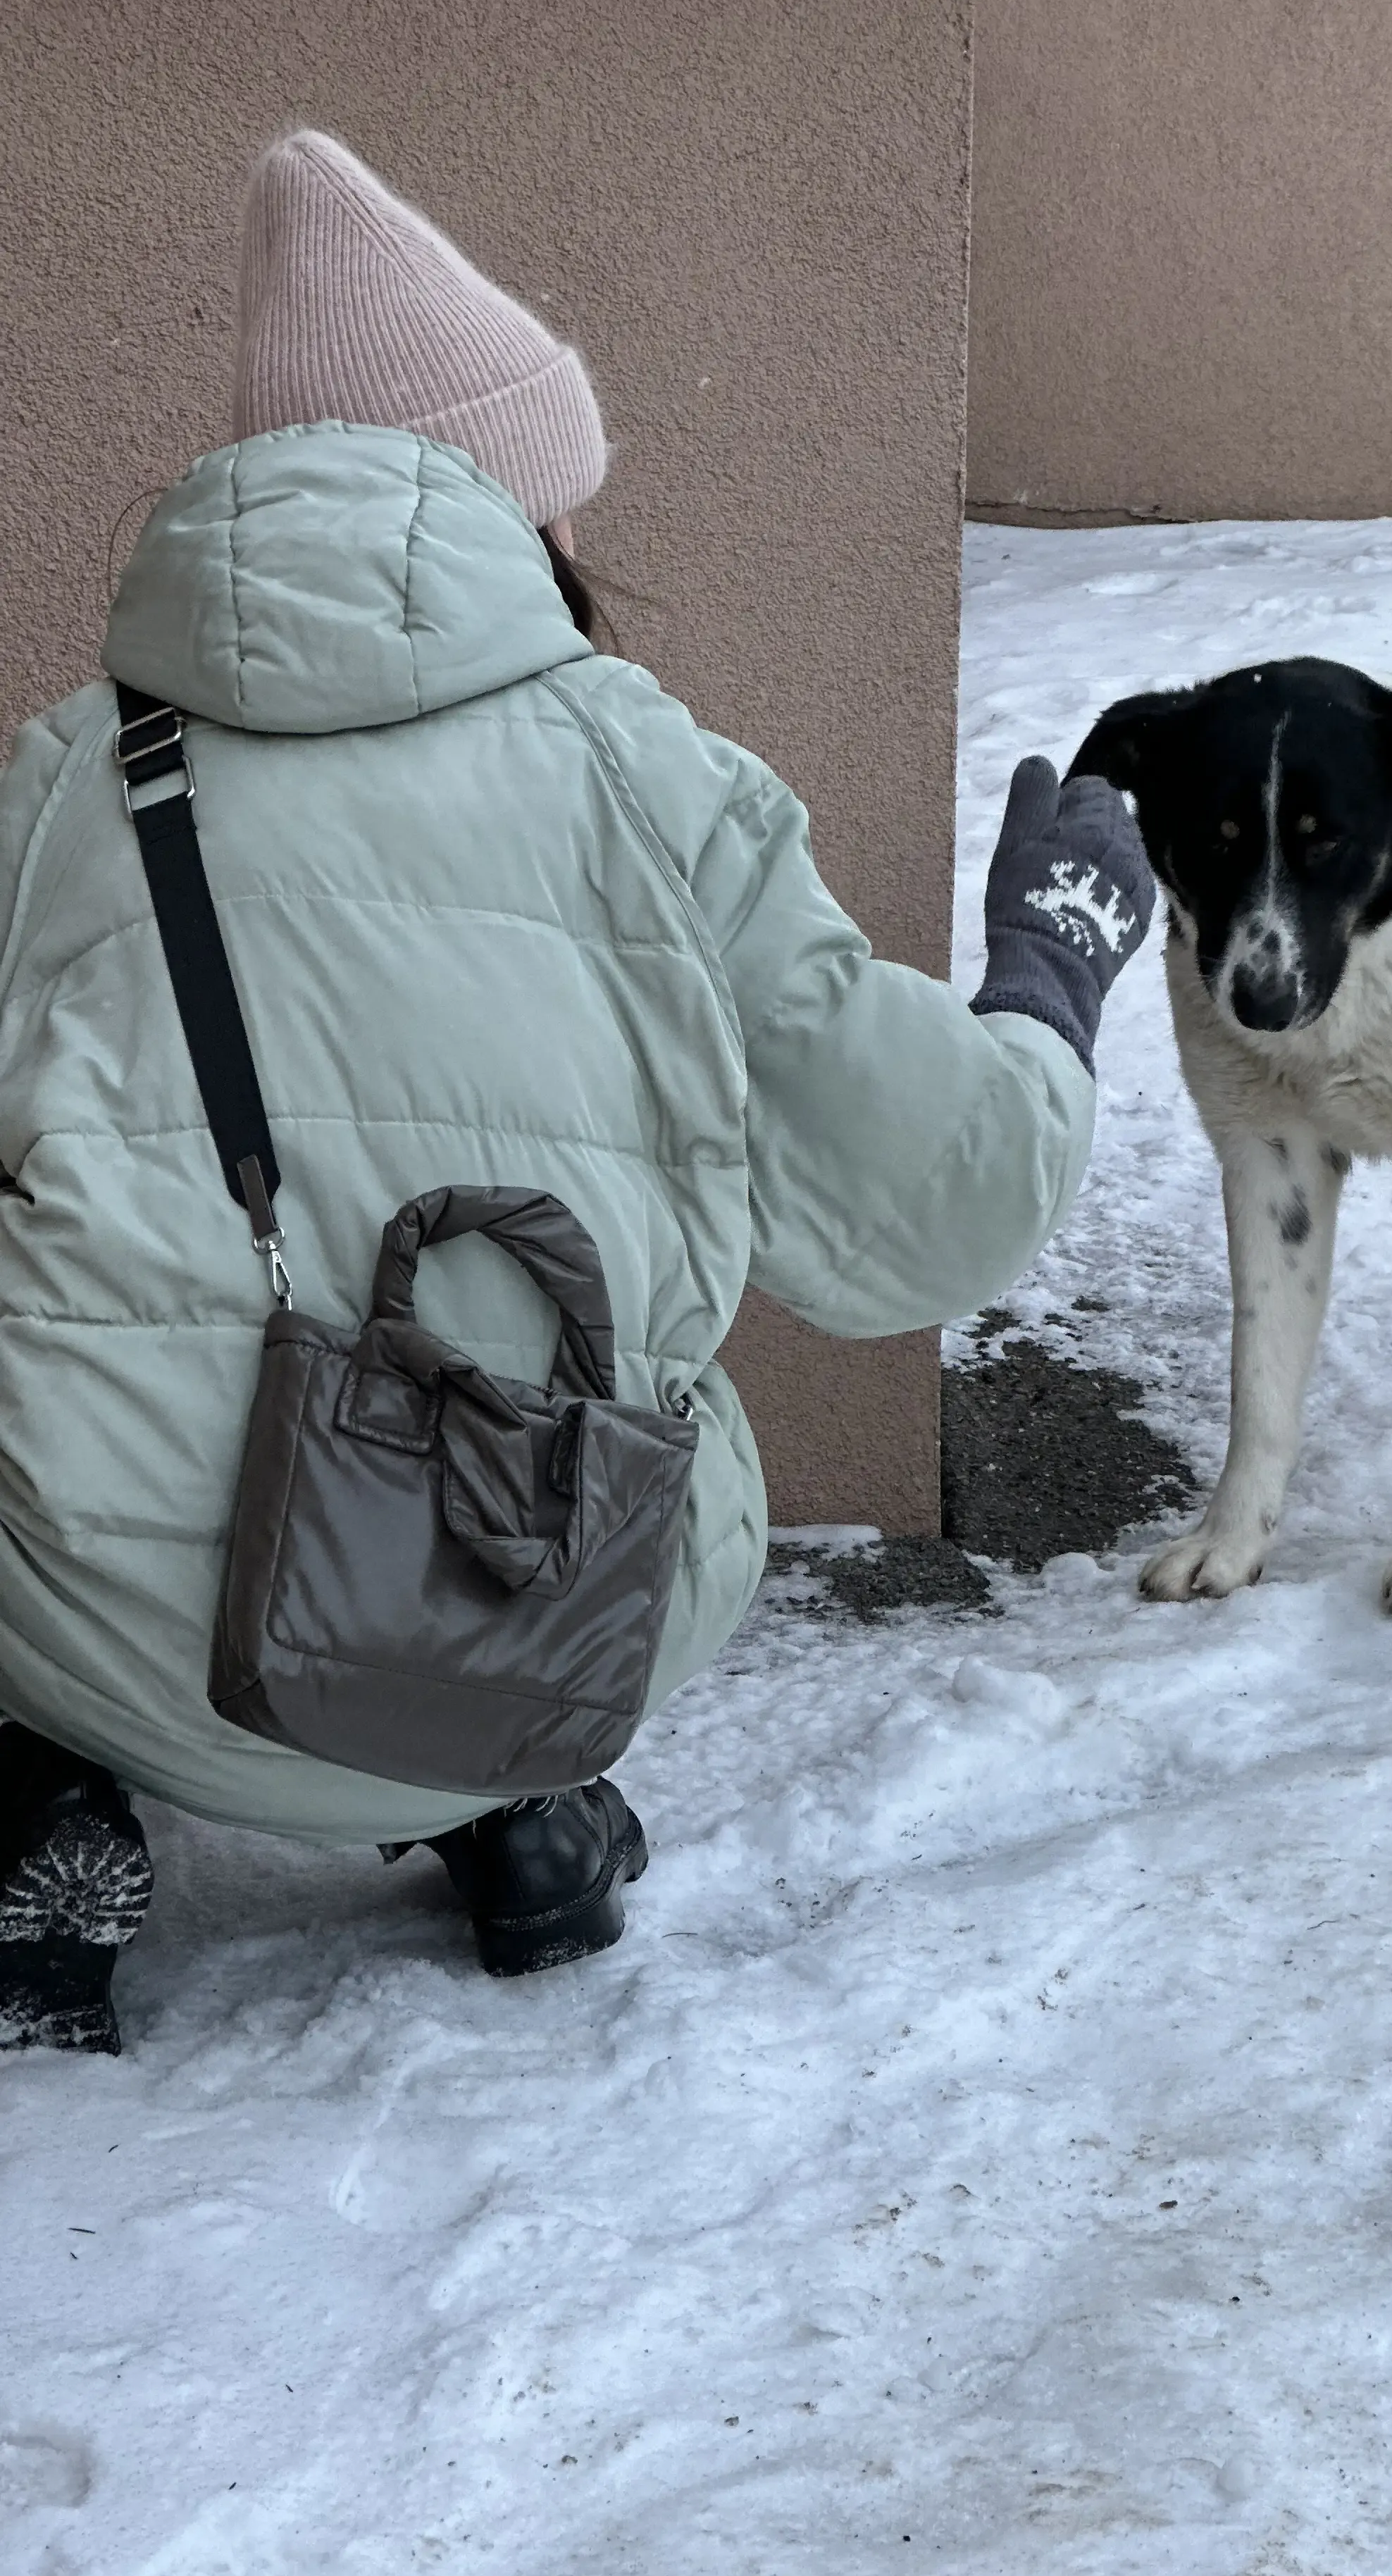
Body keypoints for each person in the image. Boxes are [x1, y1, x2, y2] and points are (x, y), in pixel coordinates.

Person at [0, 131, 1151, 2054]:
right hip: (568, 1613)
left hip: (113, 1640)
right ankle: (507, 1797)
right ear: (504, 512)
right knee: (617, 1364)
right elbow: (936, 1210)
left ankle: (34, 1812)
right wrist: (1045, 968)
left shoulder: (59, 790)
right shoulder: (656, 779)